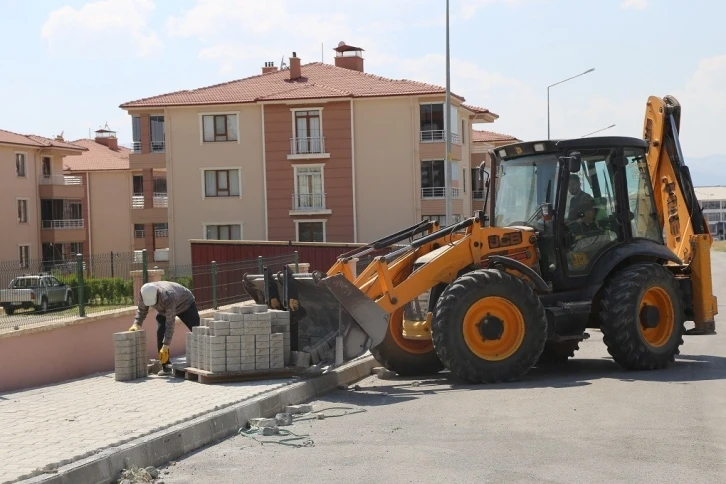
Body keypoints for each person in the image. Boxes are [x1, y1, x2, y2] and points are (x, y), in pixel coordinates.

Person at [128, 281, 200, 375]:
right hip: (164, 309)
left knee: (198, 330)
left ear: (157, 294)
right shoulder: (144, 293)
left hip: (185, 303)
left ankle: (206, 358)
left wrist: (166, 345)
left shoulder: (168, 296)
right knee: (160, 333)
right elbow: (142, 310)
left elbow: (170, 324)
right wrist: (136, 323)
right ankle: (166, 367)